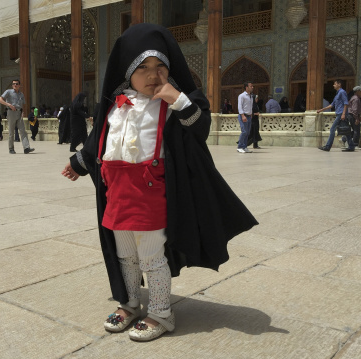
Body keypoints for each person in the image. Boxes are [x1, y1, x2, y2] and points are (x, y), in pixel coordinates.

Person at [61, 23, 257, 342]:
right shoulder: (114, 105)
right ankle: (129, 304)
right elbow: (98, 139)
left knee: (152, 257)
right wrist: (77, 164)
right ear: (128, 71)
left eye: (160, 66)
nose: (153, 74)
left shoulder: (170, 107)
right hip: (117, 195)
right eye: (143, 67)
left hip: (150, 196)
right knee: (125, 255)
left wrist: (178, 99)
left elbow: (200, 128)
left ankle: (162, 313)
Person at [317, 79, 355, 152]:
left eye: (335, 84)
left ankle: (328, 146)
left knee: (332, 129)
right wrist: (321, 109)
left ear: (339, 84)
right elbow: (332, 105)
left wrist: (343, 114)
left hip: (341, 114)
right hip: (339, 113)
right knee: (346, 130)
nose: (333, 85)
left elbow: (346, 103)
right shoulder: (337, 94)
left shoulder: (342, 92)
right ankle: (351, 146)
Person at [0, 79, 34, 154]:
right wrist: (9, 105)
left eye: (16, 84)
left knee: (23, 131)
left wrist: (22, 111)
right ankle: (11, 148)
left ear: (19, 85)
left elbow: (22, 104)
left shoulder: (21, 94)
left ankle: (26, 148)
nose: (15, 85)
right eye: (13, 84)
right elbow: (0, 100)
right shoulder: (8, 92)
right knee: (11, 132)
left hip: (19, 113)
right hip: (11, 112)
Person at [341, 86, 361, 150]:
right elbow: (355, 110)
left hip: (351, 115)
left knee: (352, 130)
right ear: (357, 92)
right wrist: (357, 118)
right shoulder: (356, 99)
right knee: (356, 130)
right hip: (353, 116)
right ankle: (355, 144)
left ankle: (344, 139)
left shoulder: (353, 98)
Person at [237, 82, 254, 153]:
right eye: (251, 86)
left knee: (247, 132)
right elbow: (240, 106)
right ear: (246, 87)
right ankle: (240, 146)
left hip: (249, 116)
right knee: (244, 132)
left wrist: (251, 114)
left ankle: (244, 146)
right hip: (243, 116)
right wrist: (243, 115)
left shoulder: (251, 96)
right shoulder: (242, 96)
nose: (252, 87)